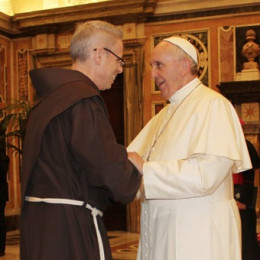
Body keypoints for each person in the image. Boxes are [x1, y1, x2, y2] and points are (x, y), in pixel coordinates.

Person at [20, 20, 142, 260]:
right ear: (98, 54)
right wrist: (132, 165)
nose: (120, 69)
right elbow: (106, 168)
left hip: (40, 226)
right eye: (119, 59)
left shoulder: (48, 100)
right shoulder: (83, 100)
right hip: (70, 229)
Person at [127, 36, 252, 260]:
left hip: (197, 237)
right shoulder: (164, 115)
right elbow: (131, 167)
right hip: (161, 233)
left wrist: (146, 169)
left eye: (159, 65)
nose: (153, 74)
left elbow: (206, 176)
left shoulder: (213, 105)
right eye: (152, 66)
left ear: (185, 66)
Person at [233, 129, 260, 259]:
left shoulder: (245, 145)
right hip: (234, 201)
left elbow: (250, 175)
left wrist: (245, 201)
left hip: (243, 203)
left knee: (246, 245)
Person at [0, 147, 9, 257]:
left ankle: (1, 248)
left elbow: (2, 171)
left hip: (0, 195)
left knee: (0, 221)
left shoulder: (2, 156)